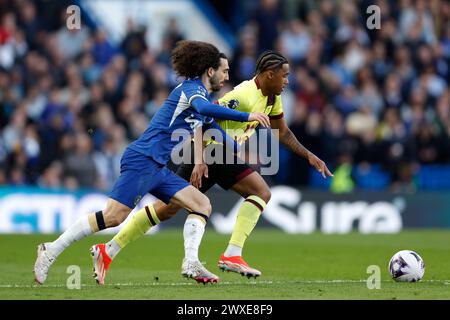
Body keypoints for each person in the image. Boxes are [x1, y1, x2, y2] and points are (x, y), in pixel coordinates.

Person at [33, 40, 270, 285]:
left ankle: (191, 262)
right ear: (210, 71)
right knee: (113, 217)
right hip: (142, 159)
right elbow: (204, 108)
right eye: (224, 71)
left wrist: (240, 149)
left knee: (201, 204)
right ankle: (50, 250)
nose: (226, 76)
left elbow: (212, 130)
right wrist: (247, 115)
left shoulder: (202, 100)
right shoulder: (192, 90)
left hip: (158, 167)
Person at [91, 50, 333, 284]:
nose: (287, 81)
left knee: (166, 209)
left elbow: (283, 132)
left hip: (220, 154)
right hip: (209, 152)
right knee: (260, 192)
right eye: (284, 75)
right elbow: (203, 118)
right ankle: (230, 254)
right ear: (270, 74)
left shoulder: (272, 98)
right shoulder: (244, 95)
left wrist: (309, 155)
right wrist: (200, 159)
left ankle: (109, 249)